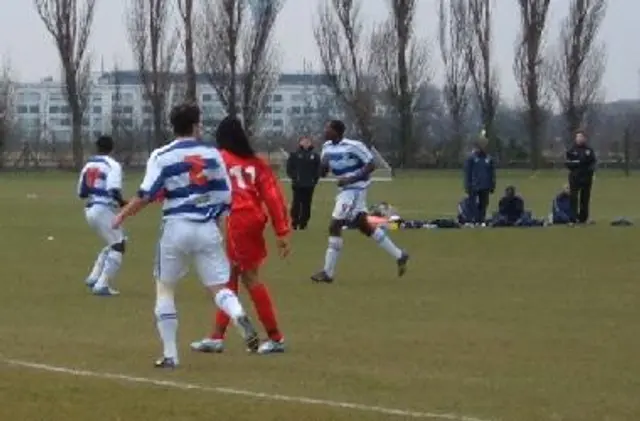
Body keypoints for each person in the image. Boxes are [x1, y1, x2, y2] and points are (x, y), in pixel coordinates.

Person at [112, 103, 259, 368]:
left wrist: (124, 214)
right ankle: (238, 315)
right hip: (206, 227)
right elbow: (226, 196)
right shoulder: (213, 154)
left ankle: (170, 354)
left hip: (176, 227)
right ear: (196, 125)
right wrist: (215, 221)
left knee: (165, 288)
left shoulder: (162, 155)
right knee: (219, 288)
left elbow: (146, 194)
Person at [190, 115, 291, 355]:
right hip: (253, 220)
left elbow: (199, 182)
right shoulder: (257, 163)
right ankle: (217, 336)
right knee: (230, 278)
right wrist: (281, 230)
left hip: (236, 219)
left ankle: (275, 336)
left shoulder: (220, 160)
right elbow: (274, 198)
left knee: (248, 278)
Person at [310, 120, 409, 284]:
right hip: (345, 191)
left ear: (337, 132)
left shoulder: (353, 146)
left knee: (335, 225)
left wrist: (351, 179)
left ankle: (328, 272)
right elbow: (323, 173)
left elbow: (372, 165)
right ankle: (400, 255)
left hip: (354, 190)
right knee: (363, 225)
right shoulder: (327, 147)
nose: (324, 131)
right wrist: (322, 164)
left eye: (328, 129)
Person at [77, 135, 126, 296]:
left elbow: (82, 193)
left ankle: (94, 277)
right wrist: (124, 204)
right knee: (118, 245)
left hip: (90, 210)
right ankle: (102, 285)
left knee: (117, 241)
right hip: (103, 209)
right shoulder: (112, 165)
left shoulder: (88, 165)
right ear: (112, 148)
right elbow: (113, 189)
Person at [286, 136, 320, 230]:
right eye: (304, 141)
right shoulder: (294, 155)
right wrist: (294, 177)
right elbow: (289, 168)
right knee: (296, 203)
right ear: (300, 143)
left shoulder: (315, 156)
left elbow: (318, 169)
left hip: (309, 185)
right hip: (298, 184)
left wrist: (315, 179)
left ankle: (303, 223)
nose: (306, 143)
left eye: (308, 142)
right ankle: (294, 222)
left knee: (307, 204)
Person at [565, 130, 596, 223]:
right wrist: (575, 165)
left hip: (586, 177)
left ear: (584, 138)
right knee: (573, 197)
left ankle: (583, 218)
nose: (579, 139)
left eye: (581, 137)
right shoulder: (571, 150)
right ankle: (572, 218)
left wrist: (590, 171)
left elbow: (593, 162)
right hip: (575, 177)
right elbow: (567, 163)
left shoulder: (589, 150)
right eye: (577, 137)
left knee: (585, 198)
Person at [463, 135, 496, 223]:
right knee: (472, 203)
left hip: (485, 185)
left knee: (484, 203)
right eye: (482, 144)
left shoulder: (489, 159)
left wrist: (492, 184)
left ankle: (481, 219)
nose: (483, 147)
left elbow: (492, 172)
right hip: (474, 185)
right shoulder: (472, 158)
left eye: (485, 145)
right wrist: (467, 185)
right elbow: (468, 172)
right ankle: (473, 219)